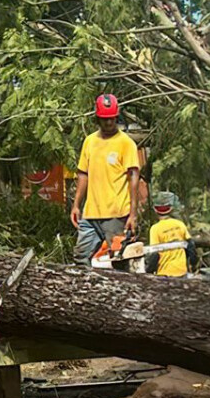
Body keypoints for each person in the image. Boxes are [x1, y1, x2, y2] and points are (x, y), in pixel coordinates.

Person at [70, 94, 141, 265]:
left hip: (116, 214)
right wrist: (76, 205)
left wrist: (133, 214)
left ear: (116, 117)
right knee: (80, 258)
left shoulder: (126, 143)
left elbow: (133, 177)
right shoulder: (90, 141)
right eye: (104, 119)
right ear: (97, 118)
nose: (108, 123)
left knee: (119, 260)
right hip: (90, 213)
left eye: (111, 118)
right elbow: (83, 174)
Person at [146, 192, 197, 278]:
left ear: (155, 210)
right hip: (182, 272)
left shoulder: (155, 229)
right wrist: (193, 264)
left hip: (164, 273)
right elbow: (191, 246)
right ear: (171, 209)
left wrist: (149, 271)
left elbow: (155, 254)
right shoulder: (179, 224)